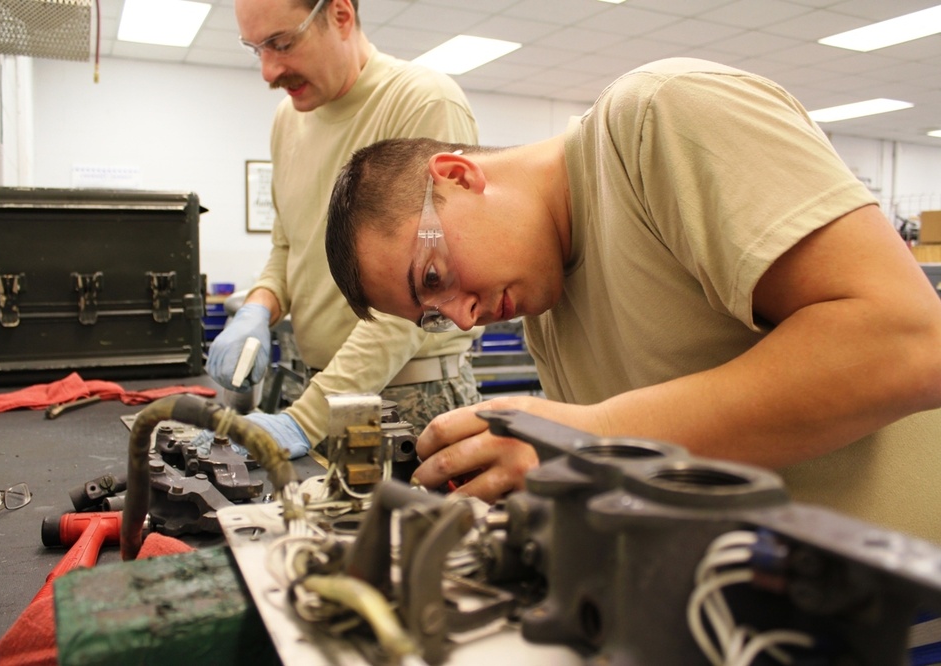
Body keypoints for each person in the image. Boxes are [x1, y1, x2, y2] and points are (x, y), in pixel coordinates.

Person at [325, 57, 941, 543]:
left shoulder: (660, 117)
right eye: (434, 317)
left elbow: (911, 344)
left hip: (897, 616)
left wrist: (591, 440)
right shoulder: (545, 311)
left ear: (458, 177)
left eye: (434, 276)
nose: (464, 318)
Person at [206, 0, 482, 458]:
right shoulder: (288, 120)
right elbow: (287, 247)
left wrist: (304, 420)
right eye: (256, 50)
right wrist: (257, 308)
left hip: (409, 399)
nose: (268, 71)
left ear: (339, 15)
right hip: (316, 390)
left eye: (281, 43)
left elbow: (426, 291)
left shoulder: (421, 102)